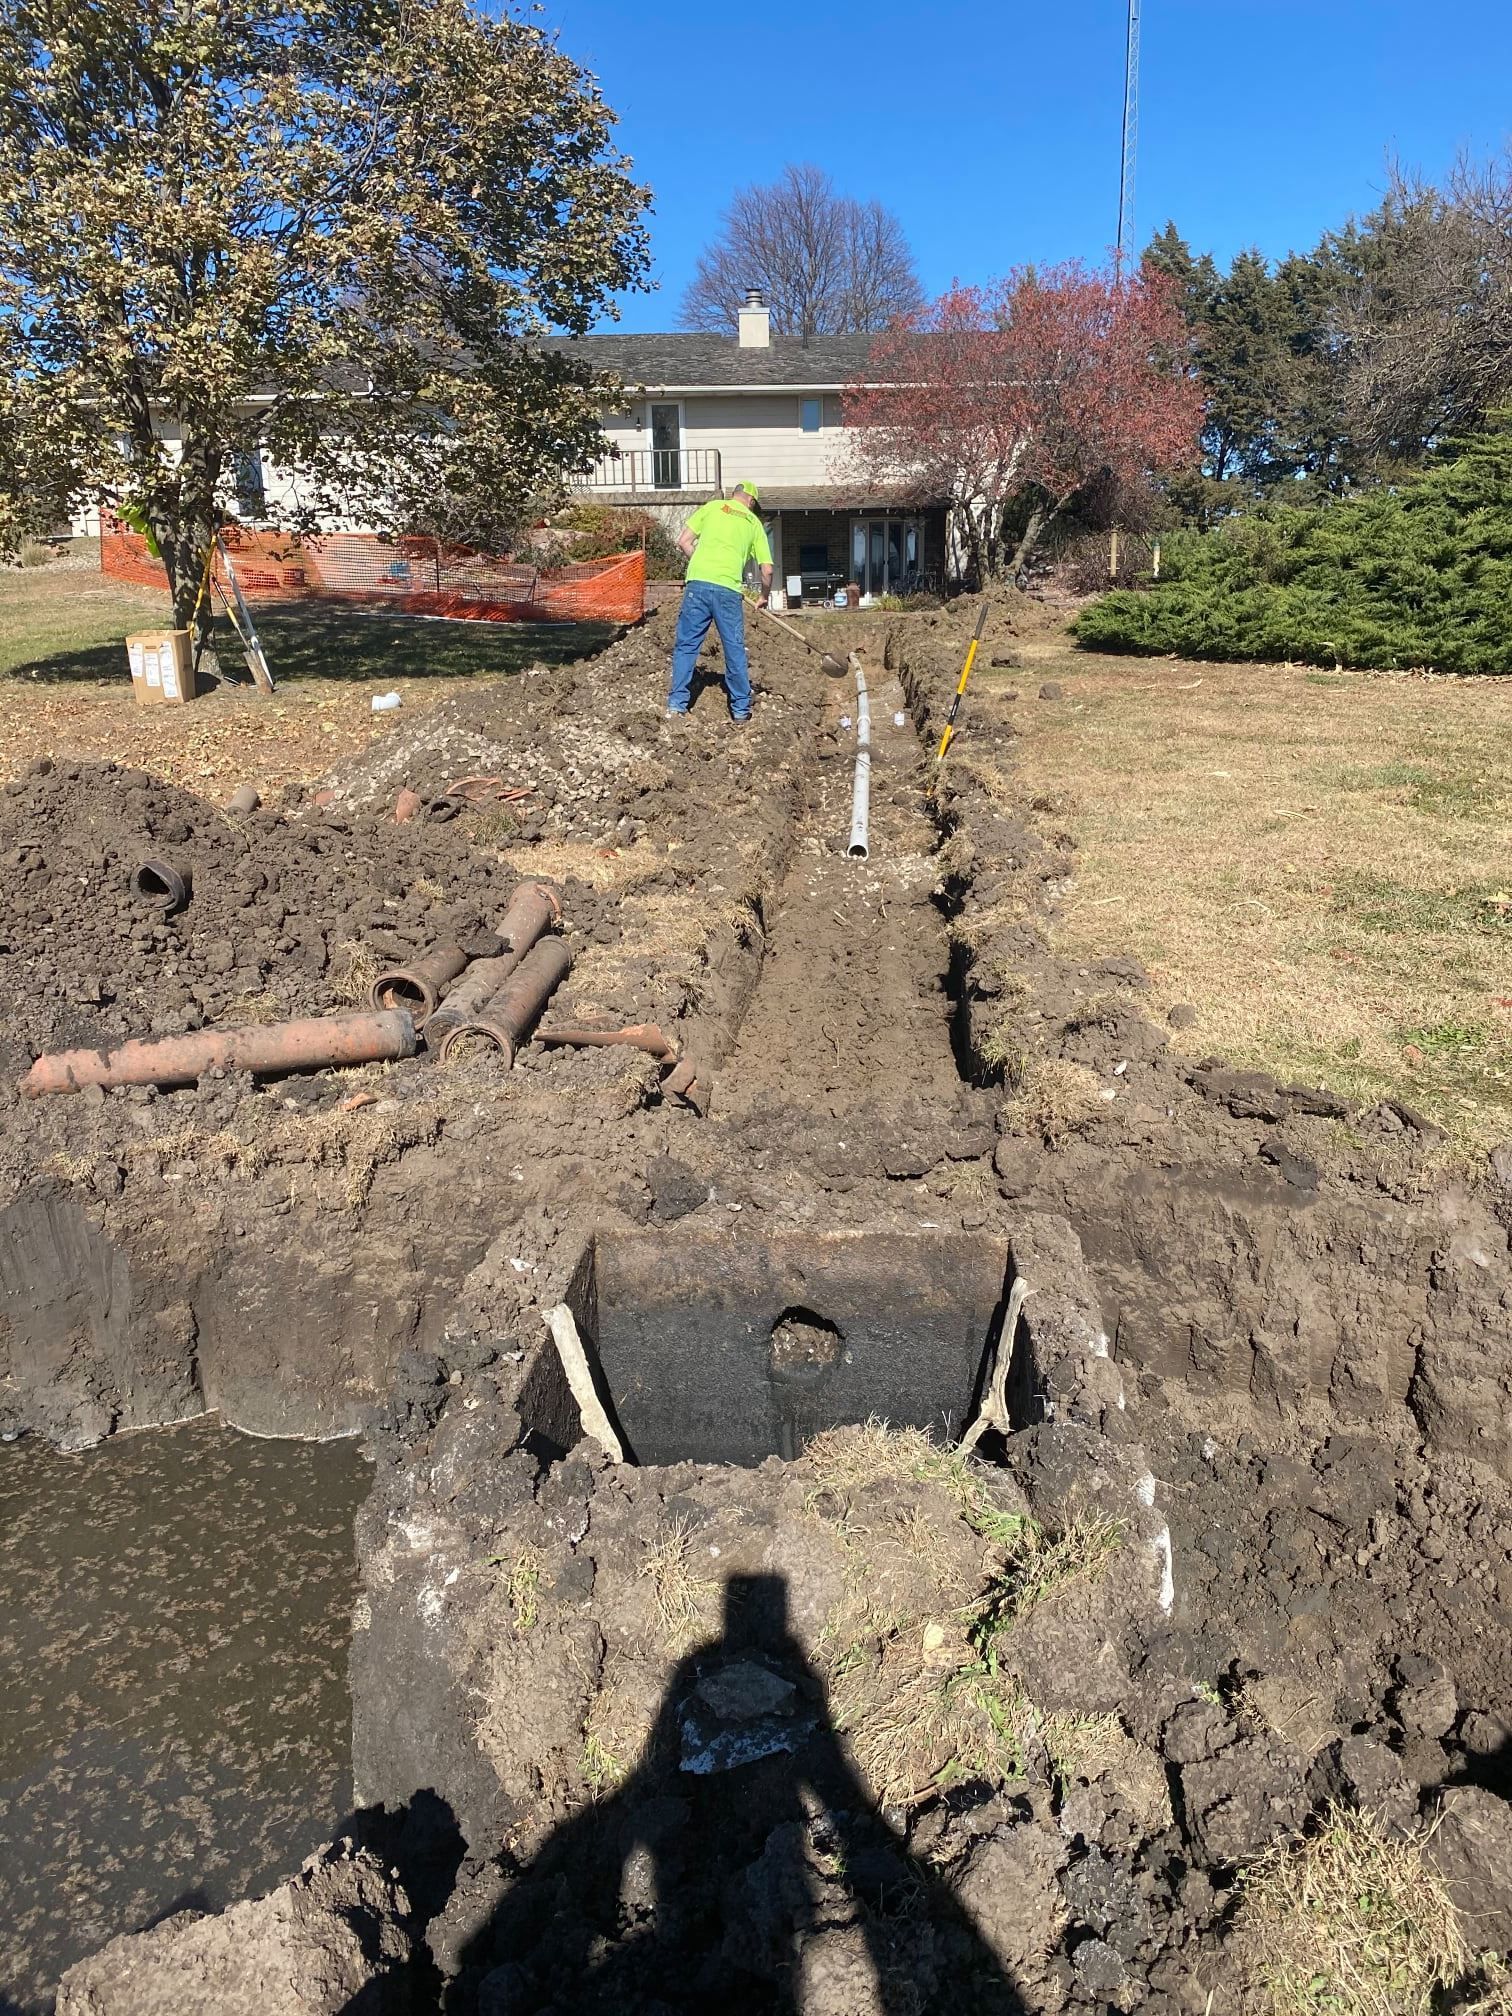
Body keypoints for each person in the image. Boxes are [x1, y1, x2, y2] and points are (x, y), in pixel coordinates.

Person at [667, 480, 773, 723]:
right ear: (751, 501)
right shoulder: (753, 523)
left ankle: (676, 705)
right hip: (728, 590)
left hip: (697, 585)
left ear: (733, 495)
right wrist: (763, 596)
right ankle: (740, 711)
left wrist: (702, 566)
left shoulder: (713, 507)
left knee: (687, 645)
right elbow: (766, 570)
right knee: (734, 648)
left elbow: (684, 541)